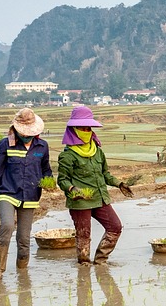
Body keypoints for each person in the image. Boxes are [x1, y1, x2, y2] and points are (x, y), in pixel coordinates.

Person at [0, 108, 50, 282]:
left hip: (31, 195)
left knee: (24, 237)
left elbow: (46, 169)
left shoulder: (42, 147)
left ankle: (22, 272)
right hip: (8, 193)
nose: (27, 136)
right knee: (7, 226)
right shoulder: (5, 145)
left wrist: (49, 182)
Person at [57, 106, 134, 266]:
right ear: (73, 130)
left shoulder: (97, 151)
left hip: (100, 198)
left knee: (115, 227)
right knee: (84, 235)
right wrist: (72, 189)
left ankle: (100, 261)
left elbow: (105, 174)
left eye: (88, 128)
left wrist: (119, 183)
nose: (86, 131)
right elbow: (62, 180)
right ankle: (84, 267)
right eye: (82, 128)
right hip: (80, 201)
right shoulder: (68, 155)